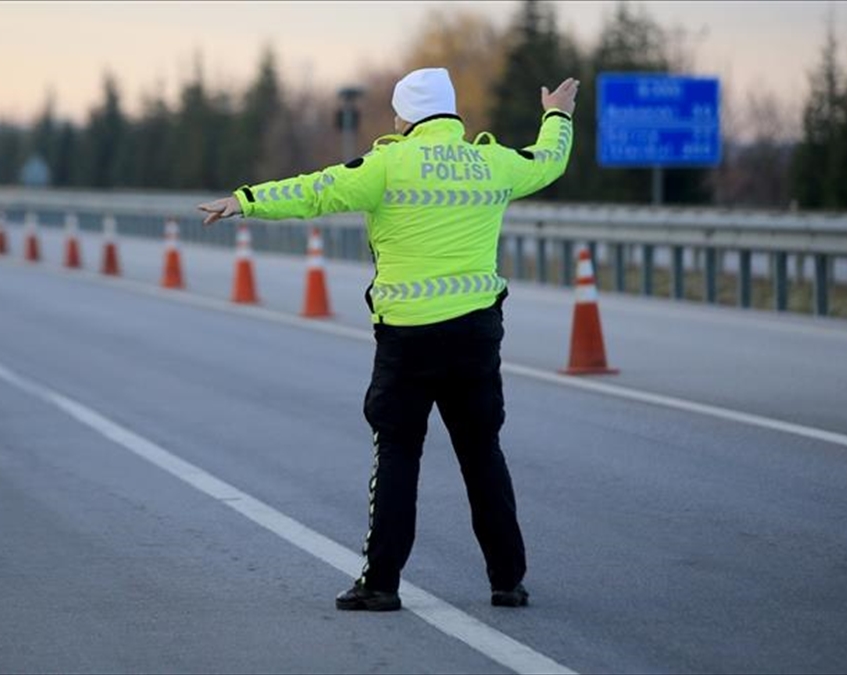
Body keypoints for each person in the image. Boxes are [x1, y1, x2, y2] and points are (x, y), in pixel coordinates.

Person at [198, 67, 576, 611]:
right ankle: (507, 581)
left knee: (399, 453)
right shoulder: (491, 161)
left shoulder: (387, 164)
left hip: (408, 338)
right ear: (449, 112)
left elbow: (316, 190)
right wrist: (556, 115)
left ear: (405, 116)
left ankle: (381, 584)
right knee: (481, 452)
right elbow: (549, 161)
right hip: (475, 333)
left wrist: (246, 200)